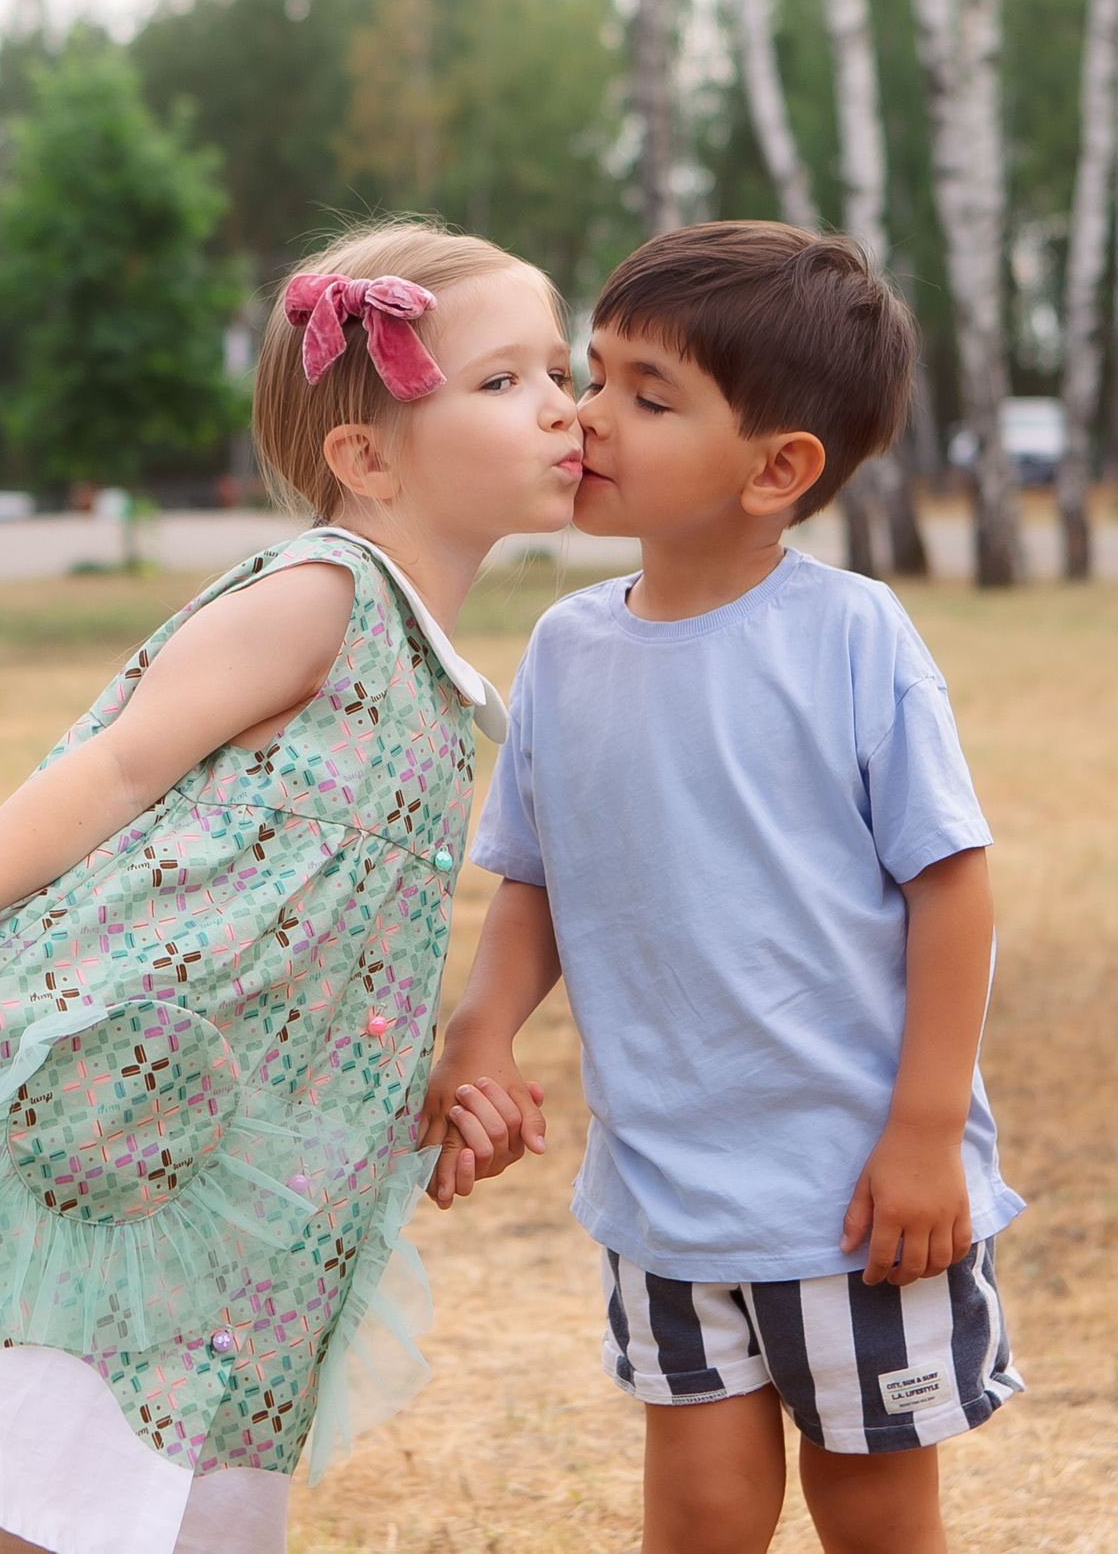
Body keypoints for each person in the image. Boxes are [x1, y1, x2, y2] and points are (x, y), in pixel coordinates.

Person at [0, 220, 579, 1554]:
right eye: (504, 380)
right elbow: (116, 762)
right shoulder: (324, 594)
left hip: (236, 1140)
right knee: (62, 1448)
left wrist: (412, 1077)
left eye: (563, 371)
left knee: (155, 1464)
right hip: (126, 1100)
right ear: (365, 460)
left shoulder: (427, 667)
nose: (563, 407)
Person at [419, 221, 1024, 1554]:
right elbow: (536, 878)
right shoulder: (567, 649)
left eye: (649, 395)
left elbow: (952, 886)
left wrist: (926, 1133)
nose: (586, 414)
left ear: (778, 470)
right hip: (668, 1188)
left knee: (873, 1512)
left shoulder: (852, 636)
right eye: (593, 373)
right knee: (698, 1512)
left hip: (854, 1194)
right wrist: (483, 1029)